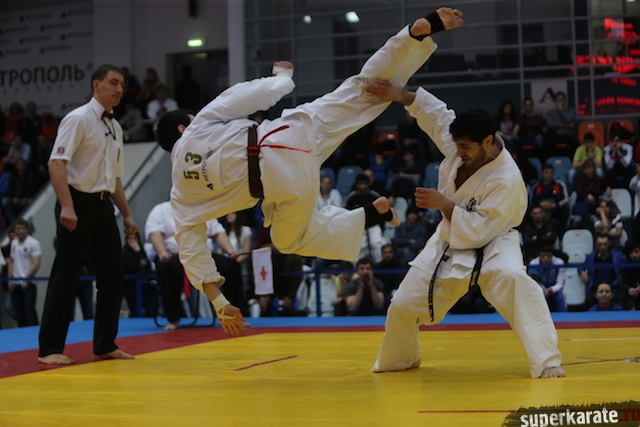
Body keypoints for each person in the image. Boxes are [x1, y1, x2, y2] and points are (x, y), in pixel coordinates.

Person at [155, 8, 465, 335]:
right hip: (287, 133)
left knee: (287, 239)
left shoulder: (181, 197)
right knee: (361, 92)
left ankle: (367, 216)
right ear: (182, 127)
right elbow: (242, 97)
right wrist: (280, 81)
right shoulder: (198, 125)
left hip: (284, 184)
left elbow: (192, 252)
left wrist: (219, 302)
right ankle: (413, 36)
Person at [364, 77, 564, 378]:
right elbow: (436, 115)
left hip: (495, 240)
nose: (458, 151)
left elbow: (480, 229)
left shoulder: (507, 179)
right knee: (402, 304)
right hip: (449, 237)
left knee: (513, 278)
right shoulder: (463, 143)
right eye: (456, 144)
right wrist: (397, 94)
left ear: (488, 141)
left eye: (465, 146)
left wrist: (444, 204)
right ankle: (402, 358)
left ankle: (547, 361)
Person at [38, 64, 138, 365]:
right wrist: (67, 206)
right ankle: (49, 349)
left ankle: (105, 344)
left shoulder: (115, 127)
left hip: (104, 206)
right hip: (77, 203)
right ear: (96, 85)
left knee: (113, 277)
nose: (119, 89)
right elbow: (56, 163)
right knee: (67, 276)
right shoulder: (78, 118)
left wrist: (128, 214)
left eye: (122, 84)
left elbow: (115, 177)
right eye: (113, 83)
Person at [146, 201, 244, 329]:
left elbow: (217, 232)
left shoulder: (202, 207)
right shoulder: (161, 210)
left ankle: (235, 314)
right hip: (173, 256)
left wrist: (230, 251)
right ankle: (173, 319)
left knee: (232, 266)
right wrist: (162, 252)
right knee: (166, 269)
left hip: (202, 255)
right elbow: (154, 233)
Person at [7, 218, 41, 327]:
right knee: (18, 313)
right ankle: (22, 335)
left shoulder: (33, 243)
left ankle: (35, 332)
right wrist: (10, 278)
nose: (21, 231)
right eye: (18, 228)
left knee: (29, 310)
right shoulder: (14, 243)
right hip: (15, 282)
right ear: (15, 230)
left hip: (29, 282)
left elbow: (36, 263)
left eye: (23, 228)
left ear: (27, 229)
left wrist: (26, 278)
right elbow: (11, 261)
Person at [581, 234, 623, 309]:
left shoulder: (617, 256)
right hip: (596, 288)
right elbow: (580, 267)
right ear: (596, 244)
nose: (603, 247)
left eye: (605, 244)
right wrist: (582, 272)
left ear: (609, 243)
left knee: (620, 297)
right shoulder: (590, 257)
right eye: (600, 244)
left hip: (613, 287)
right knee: (589, 299)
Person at [528, 246, 568, 312]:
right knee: (531, 295)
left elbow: (560, 284)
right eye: (543, 255)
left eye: (548, 256)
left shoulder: (559, 263)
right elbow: (532, 283)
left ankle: (565, 316)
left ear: (552, 256)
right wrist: (542, 290)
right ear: (539, 255)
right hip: (539, 291)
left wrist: (550, 290)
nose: (546, 258)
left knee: (561, 296)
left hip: (554, 291)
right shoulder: (533, 263)